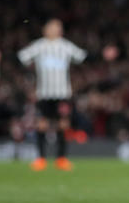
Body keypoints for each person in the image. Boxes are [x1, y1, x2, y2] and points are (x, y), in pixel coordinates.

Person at [18, 19, 116, 171]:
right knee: (42, 125)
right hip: (44, 93)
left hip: (62, 93)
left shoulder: (65, 46)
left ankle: (61, 159)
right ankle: (41, 159)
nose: (56, 30)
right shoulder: (39, 46)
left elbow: (84, 57)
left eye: (58, 27)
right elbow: (21, 57)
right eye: (53, 27)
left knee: (63, 125)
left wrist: (103, 55)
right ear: (45, 30)